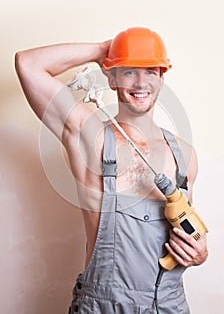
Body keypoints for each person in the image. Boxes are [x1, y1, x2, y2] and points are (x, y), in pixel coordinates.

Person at [15, 27, 208, 313]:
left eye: (150, 71)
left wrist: (200, 253)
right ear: (112, 77)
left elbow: (188, 230)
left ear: (162, 78)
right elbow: (27, 64)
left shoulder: (184, 155)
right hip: (104, 305)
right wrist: (103, 49)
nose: (141, 82)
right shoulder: (88, 136)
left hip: (169, 304)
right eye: (129, 71)